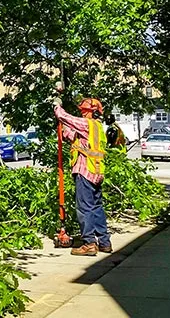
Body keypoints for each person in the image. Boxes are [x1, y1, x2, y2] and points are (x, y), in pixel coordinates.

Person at [53, 97, 111, 256]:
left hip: (85, 171)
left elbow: (66, 117)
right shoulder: (97, 128)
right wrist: (64, 130)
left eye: (83, 110)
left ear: (88, 111)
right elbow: (74, 138)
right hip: (97, 172)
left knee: (84, 208)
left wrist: (57, 106)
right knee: (96, 207)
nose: (82, 112)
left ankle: (89, 244)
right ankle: (105, 242)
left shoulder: (87, 124)